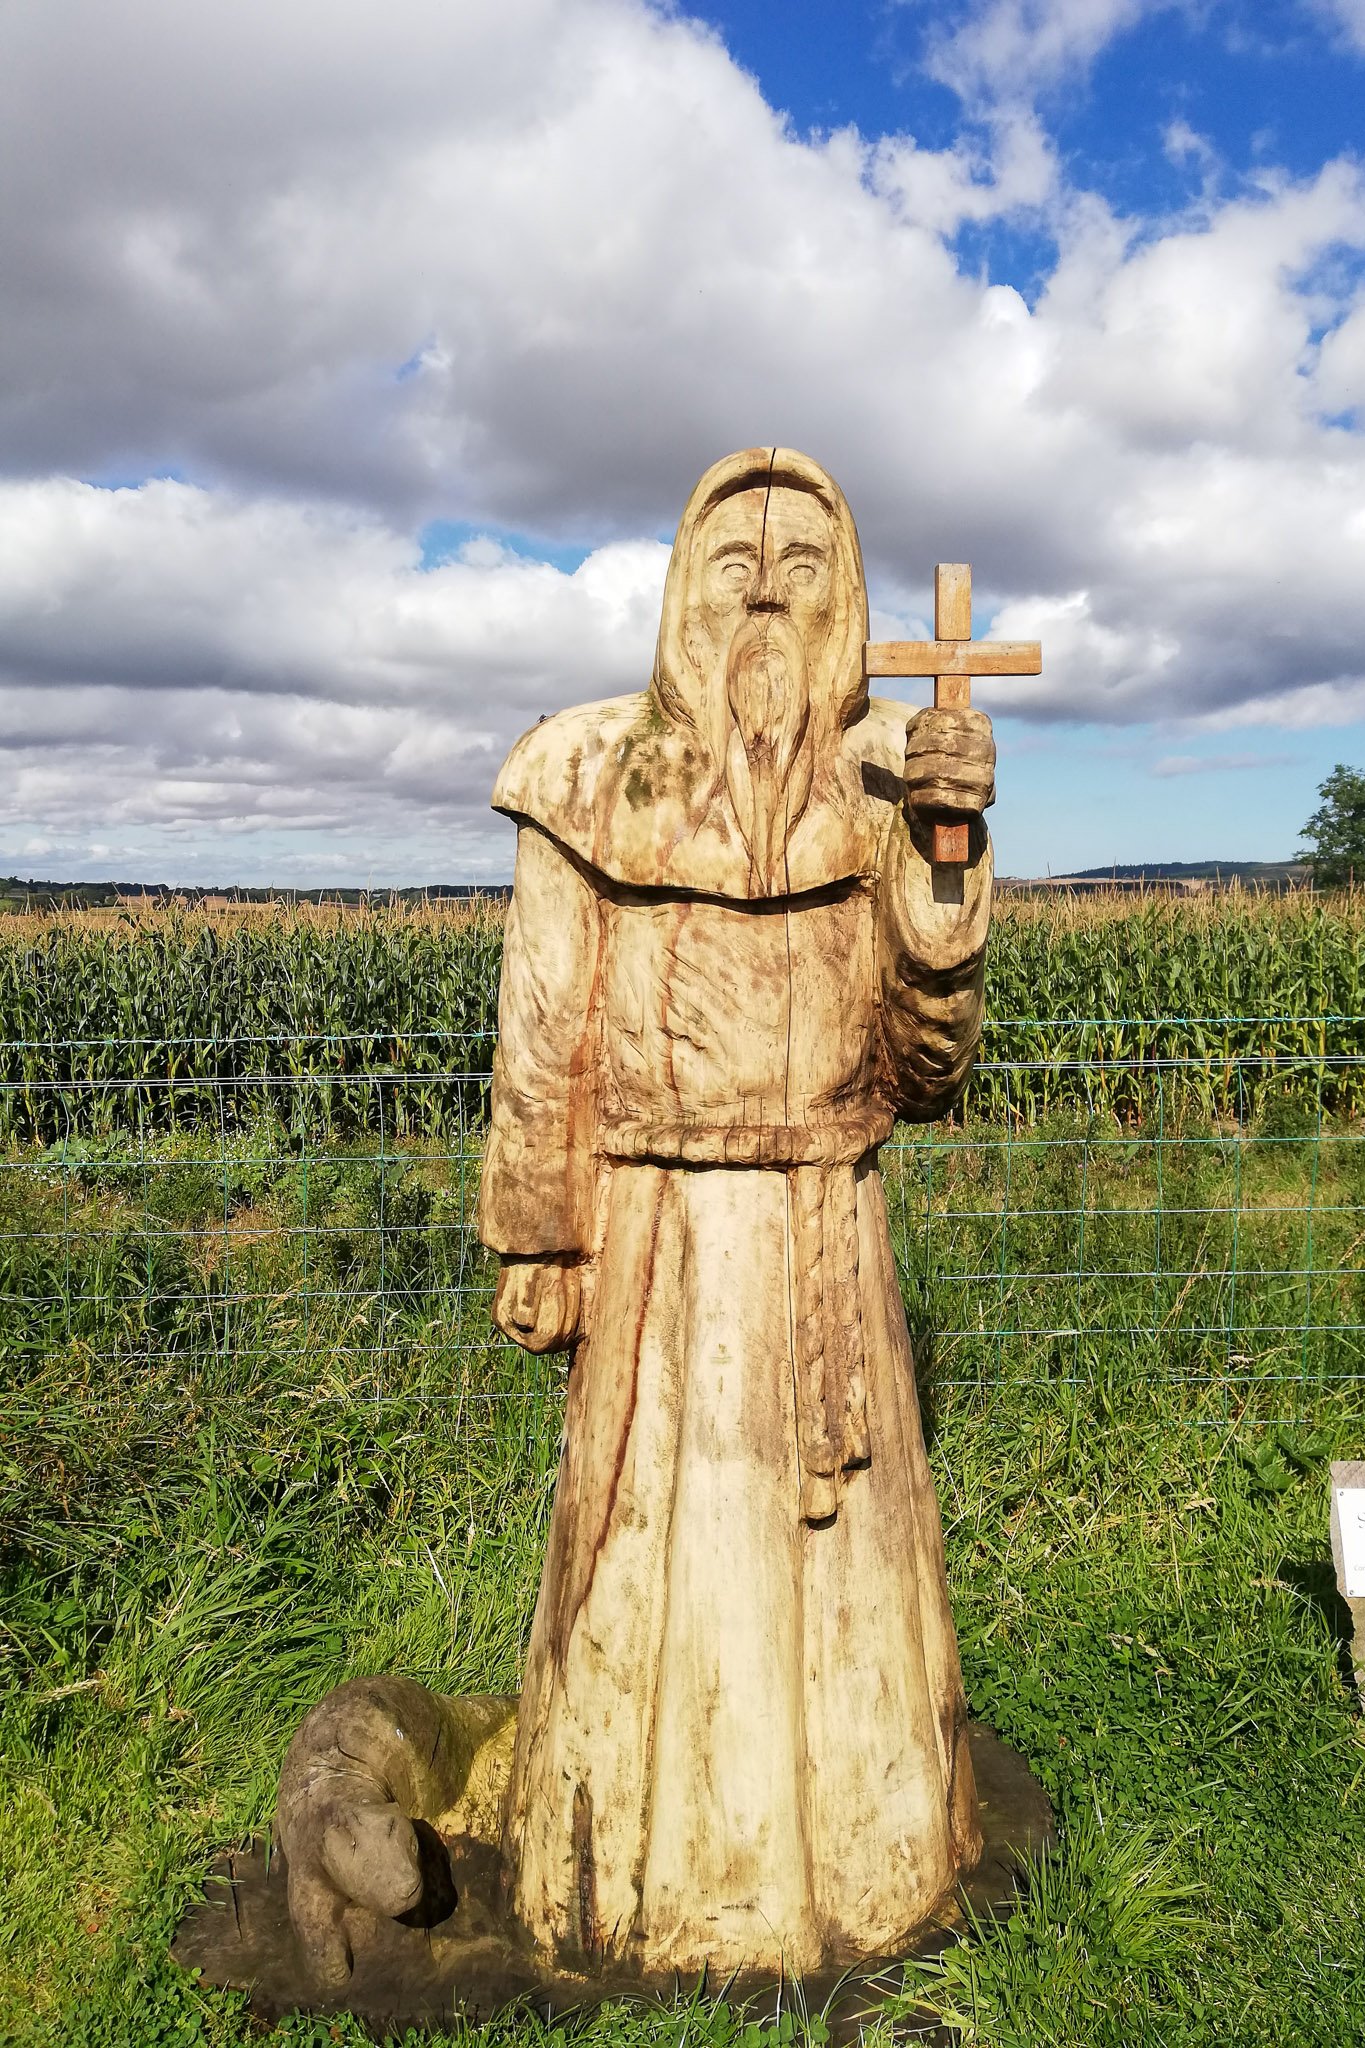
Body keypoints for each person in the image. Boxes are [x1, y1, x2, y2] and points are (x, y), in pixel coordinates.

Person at [275, 447, 997, 1987]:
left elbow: (925, 1075)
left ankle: (859, 1864)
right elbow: (546, 1025)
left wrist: (944, 881)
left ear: (847, 600)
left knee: (843, 1601)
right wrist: (539, 1232)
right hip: (661, 1246)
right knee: (657, 1569)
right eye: (737, 560)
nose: (767, 591)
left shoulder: (891, 785)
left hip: (828, 1232)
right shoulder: (591, 775)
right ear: (684, 590)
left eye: (803, 563)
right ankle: (648, 1892)